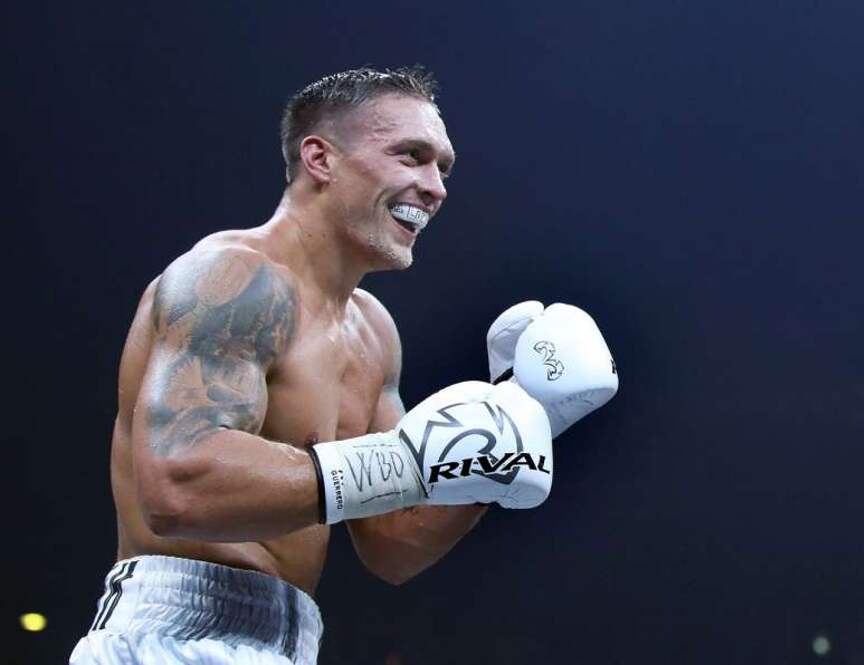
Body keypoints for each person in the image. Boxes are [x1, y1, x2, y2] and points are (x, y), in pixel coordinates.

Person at [70, 66, 617, 665]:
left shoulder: (373, 331)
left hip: (290, 641)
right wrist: (407, 461)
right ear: (320, 159)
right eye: (411, 156)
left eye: (443, 168)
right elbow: (178, 488)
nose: (435, 188)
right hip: (172, 631)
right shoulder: (233, 278)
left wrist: (518, 420)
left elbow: (394, 542)